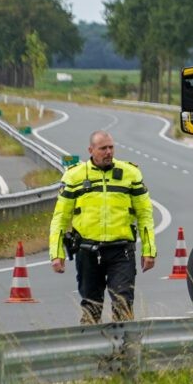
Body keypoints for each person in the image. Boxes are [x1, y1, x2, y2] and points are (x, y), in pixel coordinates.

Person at [49, 130, 157, 324]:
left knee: (123, 303)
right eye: (103, 148)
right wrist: (57, 254)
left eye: (111, 147)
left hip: (121, 251)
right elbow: (60, 218)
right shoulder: (74, 177)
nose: (108, 152)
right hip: (87, 251)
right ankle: (92, 351)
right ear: (91, 150)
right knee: (91, 307)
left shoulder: (130, 174)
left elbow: (144, 215)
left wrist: (149, 250)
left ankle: (124, 351)